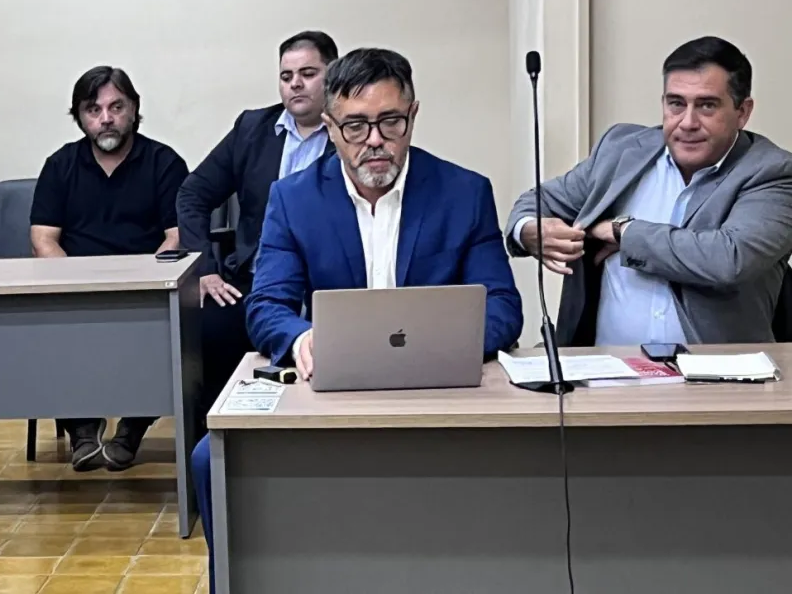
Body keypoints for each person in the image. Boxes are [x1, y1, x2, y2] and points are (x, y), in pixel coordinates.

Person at [191, 47, 524, 591]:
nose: (374, 140)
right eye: (355, 126)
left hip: (441, 390)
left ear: (413, 115)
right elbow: (267, 305)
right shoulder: (293, 198)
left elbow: (504, 307)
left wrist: (443, 340)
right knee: (213, 459)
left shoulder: (464, 192)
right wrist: (302, 338)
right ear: (329, 127)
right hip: (332, 388)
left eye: (390, 122)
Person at [505, 36, 792, 347]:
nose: (688, 122)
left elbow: (728, 258)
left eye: (707, 105)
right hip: (604, 367)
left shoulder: (772, 171)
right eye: (676, 103)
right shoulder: (621, 149)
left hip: (717, 372)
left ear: (742, 112)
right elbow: (540, 201)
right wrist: (528, 230)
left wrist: (622, 232)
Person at [30, 65, 188, 472]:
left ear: (134, 109)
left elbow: (176, 237)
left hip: (147, 289)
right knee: (49, 326)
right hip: (76, 288)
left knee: (166, 326)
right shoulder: (60, 165)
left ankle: (133, 427)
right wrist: (77, 286)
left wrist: (147, 284)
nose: (106, 118)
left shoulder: (164, 163)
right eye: (93, 109)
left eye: (116, 107)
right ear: (80, 116)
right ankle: (82, 427)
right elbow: (43, 239)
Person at [176, 30, 338, 412]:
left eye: (308, 73)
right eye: (286, 76)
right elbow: (192, 194)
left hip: (326, 286)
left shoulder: (349, 132)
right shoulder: (252, 129)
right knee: (204, 330)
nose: (295, 84)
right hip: (256, 282)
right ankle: (214, 439)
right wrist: (205, 269)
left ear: (333, 76)